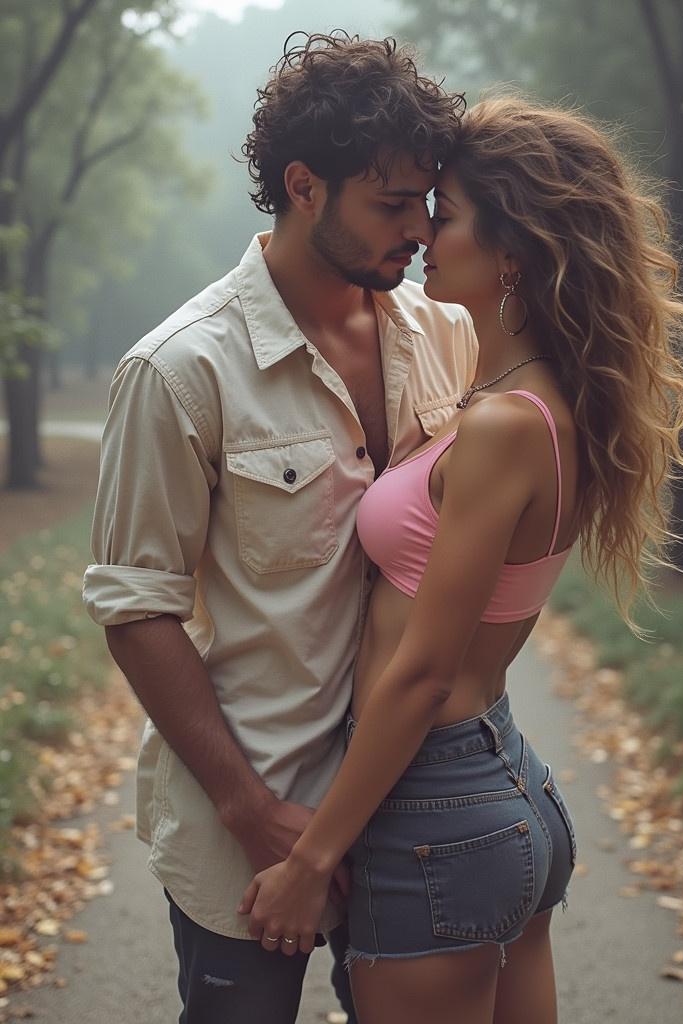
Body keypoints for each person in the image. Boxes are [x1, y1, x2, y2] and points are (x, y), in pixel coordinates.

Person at [238, 95, 683, 1024]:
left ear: (512, 255)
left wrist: (310, 861)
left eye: (443, 215)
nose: (421, 234)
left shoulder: (502, 425)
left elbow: (419, 675)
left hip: (435, 809)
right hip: (499, 785)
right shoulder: (529, 402)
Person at [82, 32, 475, 1024]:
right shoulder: (181, 371)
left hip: (408, 805)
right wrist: (255, 816)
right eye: (392, 203)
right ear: (304, 185)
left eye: (427, 201)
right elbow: (136, 608)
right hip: (254, 822)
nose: (421, 230)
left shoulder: (446, 333)